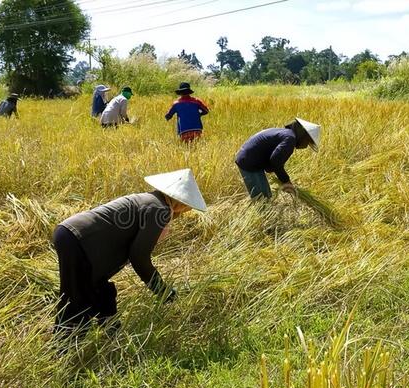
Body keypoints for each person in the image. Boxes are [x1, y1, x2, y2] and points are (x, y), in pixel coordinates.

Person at [52, 168, 207, 330]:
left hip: (73, 237)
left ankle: (111, 333)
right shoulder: (159, 209)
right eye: (187, 207)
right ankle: (64, 348)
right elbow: (139, 257)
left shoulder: (151, 200)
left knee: (101, 292)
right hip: (77, 240)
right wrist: (162, 291)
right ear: (180, 202)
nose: (183, 213)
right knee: (77, 302)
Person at [234, 118, 321, 199]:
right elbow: (276, 161)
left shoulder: (286, 133)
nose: (306, 145)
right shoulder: (290, 139)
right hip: (248, 162)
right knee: (262, 199)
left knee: (266, 196)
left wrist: (270, 169)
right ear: (303, 135)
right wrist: (286, 182)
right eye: (307, 141)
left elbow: (272, 156)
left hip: (248, 158)